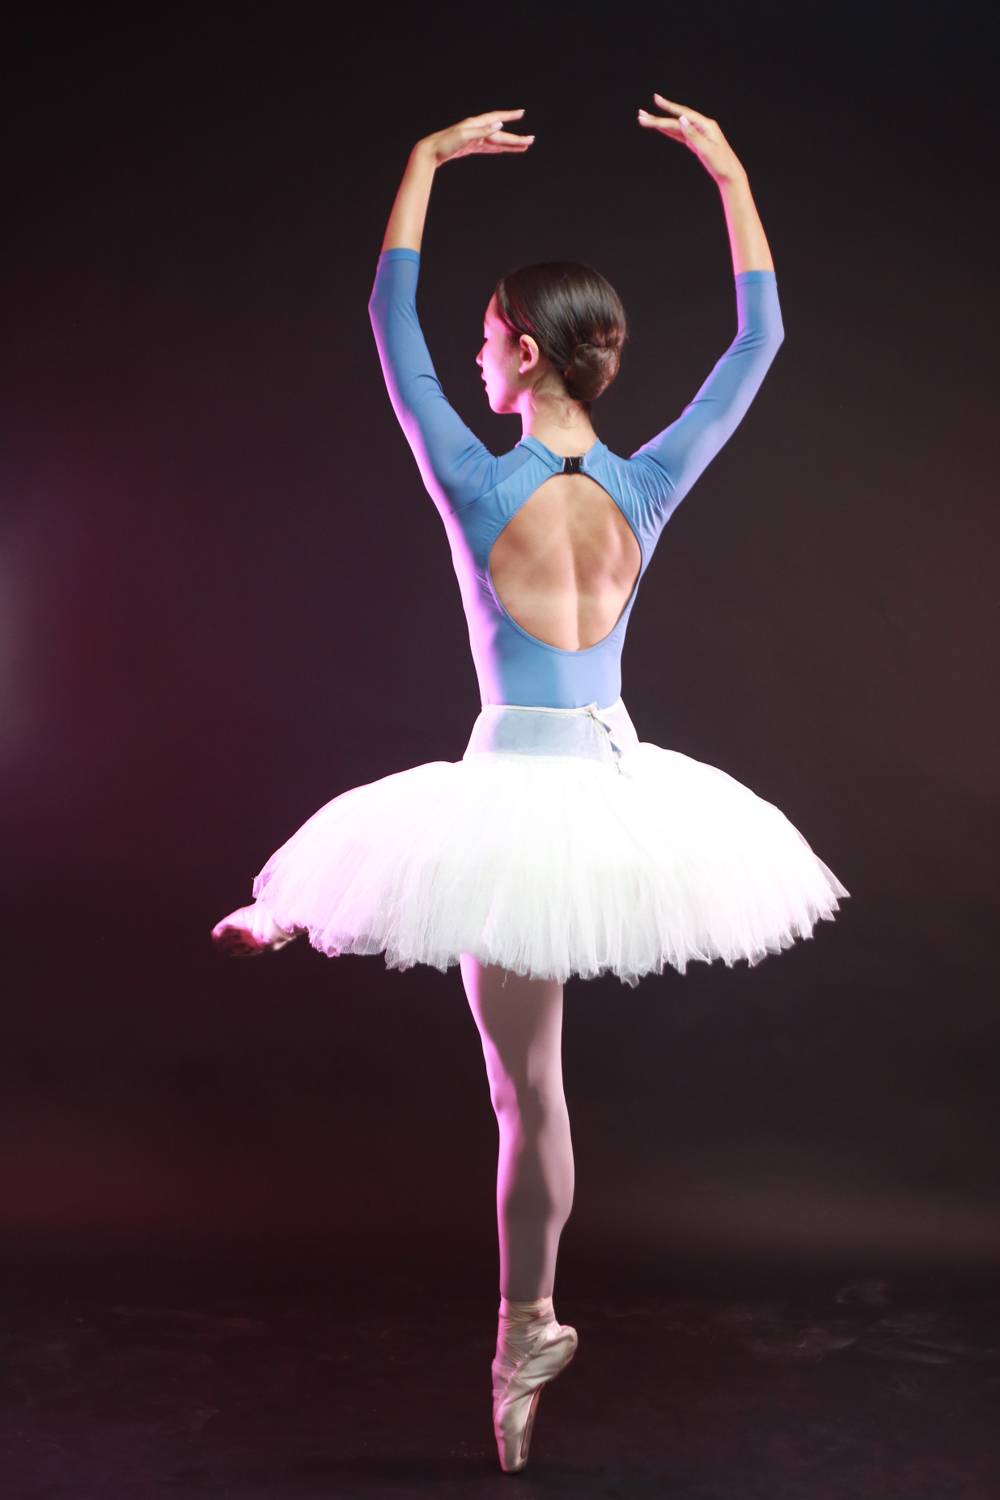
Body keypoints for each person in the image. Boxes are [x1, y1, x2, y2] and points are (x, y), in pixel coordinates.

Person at [211, 94, 851, 1473]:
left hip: (511, 791)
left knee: (525, 1092)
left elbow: (388, 322)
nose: (471, 351)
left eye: (487, 334)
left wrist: (422, 162)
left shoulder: (472, 478)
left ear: (521, 353)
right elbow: (760, 341)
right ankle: (525, 1331)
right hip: (608, 788)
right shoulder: (651, 483)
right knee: (538, 1093)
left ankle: (525, 1331)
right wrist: (731, 172)